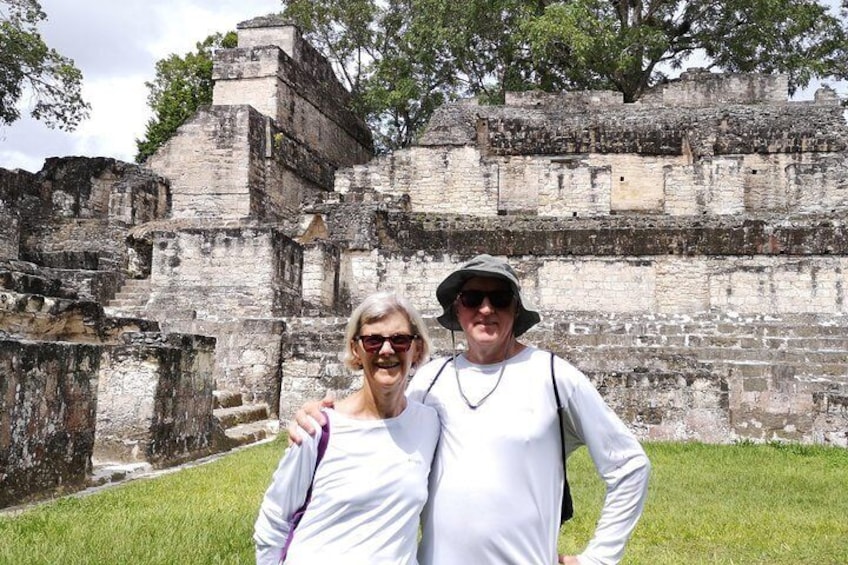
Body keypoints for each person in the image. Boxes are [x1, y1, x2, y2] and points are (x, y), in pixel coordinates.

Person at [290, 255, 651, 565]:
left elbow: (629, 465)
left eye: (499, 298)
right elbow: (380, 424)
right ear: (457, 310)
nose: (486, 309)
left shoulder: (555, 376)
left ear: (515, 309)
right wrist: (324, 413)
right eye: (472, 298)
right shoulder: (430, 381)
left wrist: (599, 557)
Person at [254, 291, 440, 565]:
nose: (386, 350)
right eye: (373, 340)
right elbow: (274, 520)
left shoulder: (430, 423)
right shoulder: (318, 427)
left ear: (418, 349)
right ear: (356, 349)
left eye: (399, 340)